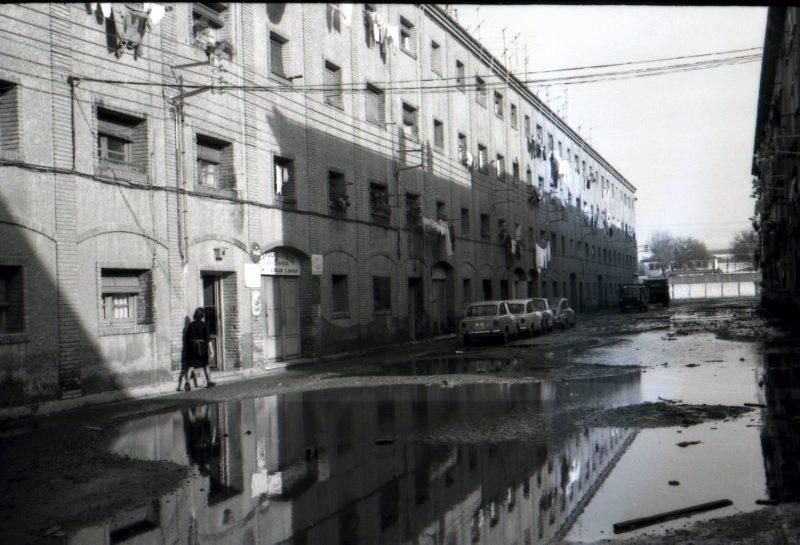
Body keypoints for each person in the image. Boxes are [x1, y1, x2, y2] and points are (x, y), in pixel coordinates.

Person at [178, 307, 216, 391]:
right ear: (202, 316)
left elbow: (187, 338)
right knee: (206, 366)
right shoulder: (204, 325)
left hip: (192, 348)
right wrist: (211, 350)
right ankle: (209, 382)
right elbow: (208, 338)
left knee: (190, 367)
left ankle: (187, 384)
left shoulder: (190, 325)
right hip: (202, 348)